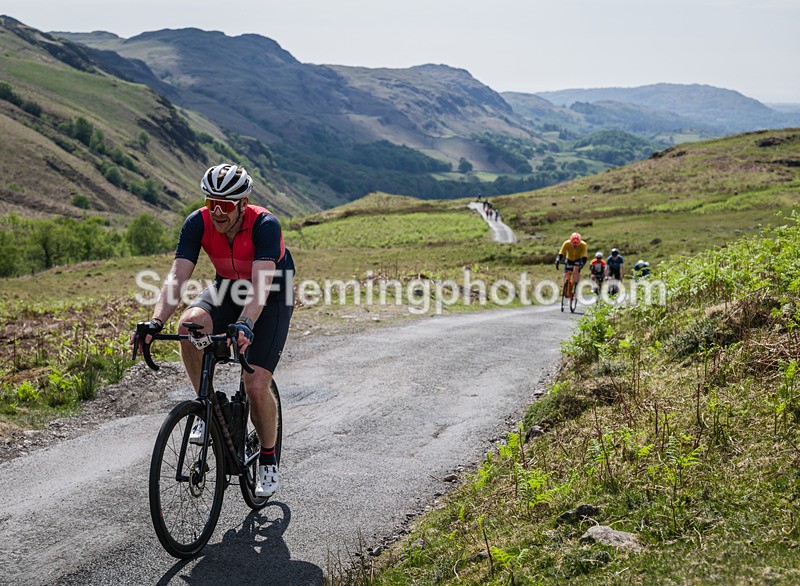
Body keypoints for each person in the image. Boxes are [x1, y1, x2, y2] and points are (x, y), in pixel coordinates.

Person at [134, 163, 294, 498]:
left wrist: (246, 323)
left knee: (255, 384)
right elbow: (177, 276)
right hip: (227, 288)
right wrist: (156, 321)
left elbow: (261, 286)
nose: (217, 212)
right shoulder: (198, 222)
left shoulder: (264, 225)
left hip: (272, 294)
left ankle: (268, 457)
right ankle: (210, 404)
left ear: (243, 203)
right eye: (211, 203)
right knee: (188, 326)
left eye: (225, 205)